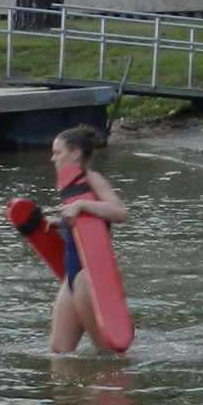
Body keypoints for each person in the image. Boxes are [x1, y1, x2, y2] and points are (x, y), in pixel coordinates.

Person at [49, 125, 129, 353]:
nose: (53, 158)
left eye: (57, 152)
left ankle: (118, 387)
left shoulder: (92, 179)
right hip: (72, 277)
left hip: (90, 276)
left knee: (106, 353)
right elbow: (85, 224)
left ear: (75, 154)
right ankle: (69, 390)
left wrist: (81, 204)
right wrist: (59, 222)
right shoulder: (69, 187)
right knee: (60, 352)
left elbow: (119, 212)